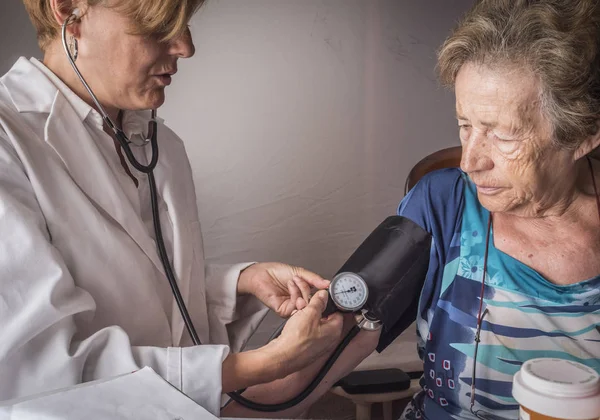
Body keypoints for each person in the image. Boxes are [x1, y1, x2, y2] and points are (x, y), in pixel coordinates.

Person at [0, 0, 380, 417]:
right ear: (70, 10)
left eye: (184, 24)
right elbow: (40, 374)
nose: (185, 46)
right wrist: (262, 366)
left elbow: (139, 291)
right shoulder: (9, 142)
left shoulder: (159, 145)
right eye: (160, 25)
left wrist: (240, 282)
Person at [379, 1, 600, 419]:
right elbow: (314, 355)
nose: (469, 162)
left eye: (503, 135)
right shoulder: (440, 204)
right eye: (465, 125)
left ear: (584, 134)